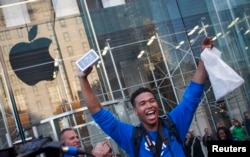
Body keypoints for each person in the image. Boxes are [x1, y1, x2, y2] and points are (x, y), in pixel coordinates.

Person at [77, 37, 213, 157]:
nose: (149, 105)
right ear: (135, 111)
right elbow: (100, 115)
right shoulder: (131, 137)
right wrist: (83, 79)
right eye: (142, 103)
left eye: (151, 101)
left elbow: (192, 95)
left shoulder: (174, 123)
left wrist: (204, 57)